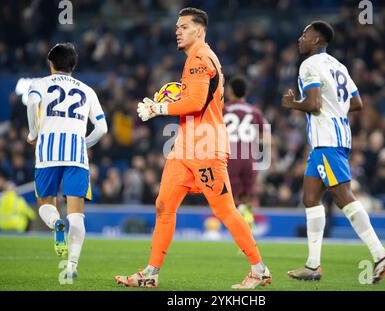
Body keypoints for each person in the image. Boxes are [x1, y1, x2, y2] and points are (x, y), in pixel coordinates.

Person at [115, 8, 272, 289]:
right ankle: (151, 273)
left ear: (199, 30)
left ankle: (259, 269)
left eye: (184, 26)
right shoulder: (196, 58)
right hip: (186, 145)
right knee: (164, 205)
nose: (178, 30)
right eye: (177, 26)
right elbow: (193, 99)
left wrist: (157, 108)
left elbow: (196, 102)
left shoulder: (200, 57)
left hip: (206, 147)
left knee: (225, 210)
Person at [282, 21, 385, 284]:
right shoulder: (338, 65)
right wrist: (334, 110)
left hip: (327, 139)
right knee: (310, 197)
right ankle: (312, 266)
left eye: (305, 34)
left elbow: (312, 103)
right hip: (333, 137)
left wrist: (292, 104)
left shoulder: (309, 65)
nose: (301, 38)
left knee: (342, 195)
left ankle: (380, 255)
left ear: (318, 39)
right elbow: (357, 103)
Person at [26, 43, 108, 278]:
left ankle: (55, 225)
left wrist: (33, 133)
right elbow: (102, 128)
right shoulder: (87, 90)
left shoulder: (39, 84)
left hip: (47, 152)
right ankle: (71, 266)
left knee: (46, 204)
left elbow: (32, 103)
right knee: (76, 215)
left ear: (50, 63)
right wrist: (84, 143)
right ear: (74, 65)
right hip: (76, 155)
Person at [223, 76, 267, 230]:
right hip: (249, 158)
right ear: (246, 92)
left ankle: (238, 229)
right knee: (246, 197)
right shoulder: (255, 111)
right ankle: (248, 226)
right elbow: (265, 137)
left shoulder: (223, 109)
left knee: (230, 197)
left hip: (230, 158)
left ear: (229, 92)